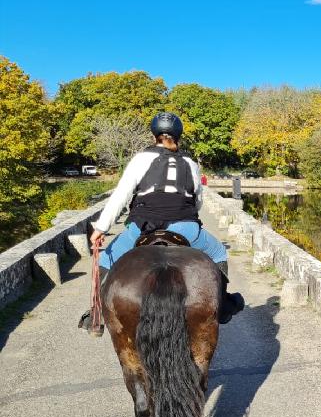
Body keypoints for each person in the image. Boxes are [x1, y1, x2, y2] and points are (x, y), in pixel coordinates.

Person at [78, 112, 244, 331]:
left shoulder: (140, 159)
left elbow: (121, 196)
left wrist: (100, 228)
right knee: (218, 253)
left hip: (142, 226)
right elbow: (198, 202)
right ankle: (221, 307)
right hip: (185, 227)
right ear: (179, 135)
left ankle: (96, 314)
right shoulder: (190, 163)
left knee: (107, 259)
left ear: (154, 134)